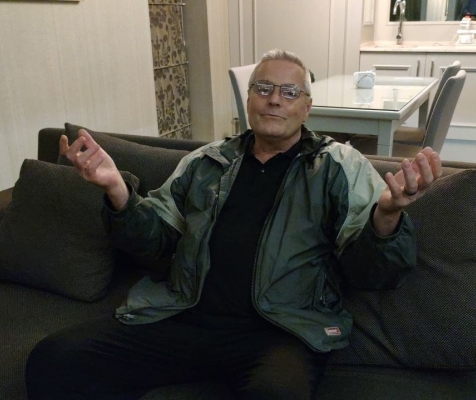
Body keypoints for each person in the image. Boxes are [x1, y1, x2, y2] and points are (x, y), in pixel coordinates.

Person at [26, 49, 442, 399]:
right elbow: (154, 240)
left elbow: (373, 272)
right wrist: (118, 191)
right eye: (263, 88)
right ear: (248, 99)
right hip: (185, 317)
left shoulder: (338, 166)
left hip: (280, 333)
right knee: (54, 359)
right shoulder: (206, 162)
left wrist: (387, 216)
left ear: (307, 108)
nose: (274, 100)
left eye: (289, 92)